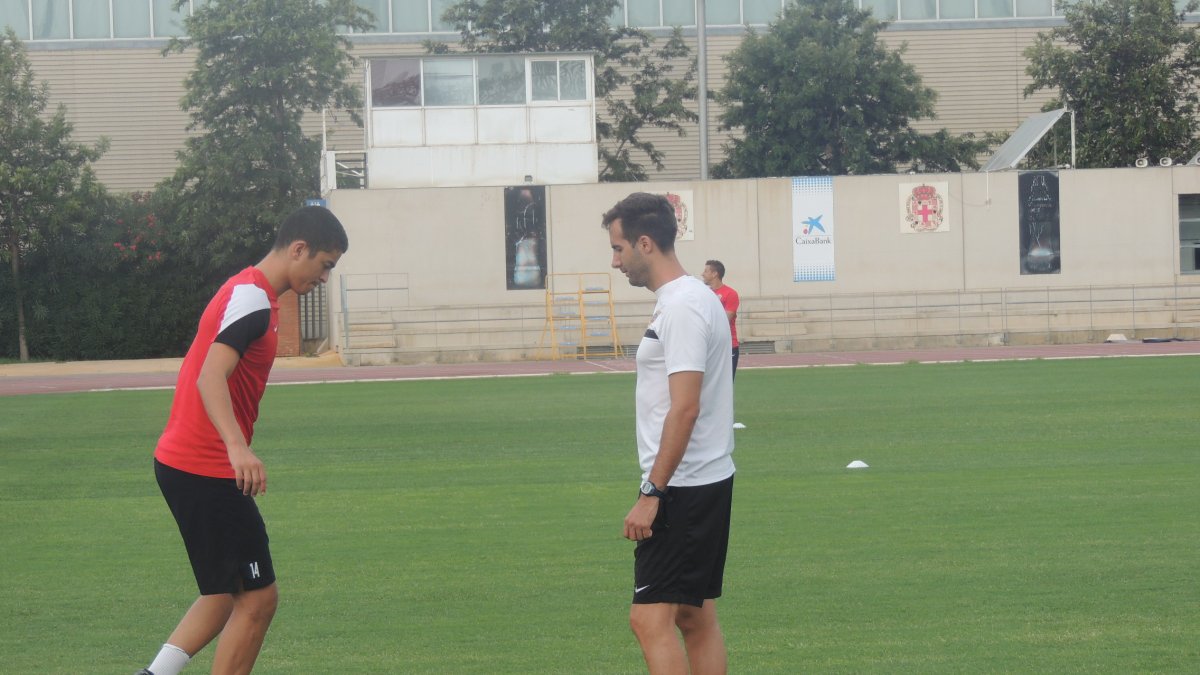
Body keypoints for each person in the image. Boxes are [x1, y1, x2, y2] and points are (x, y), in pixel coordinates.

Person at [136, 206, 348, 675]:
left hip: (187, 464)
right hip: (204, 467)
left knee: (225, 593)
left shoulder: (251, 293)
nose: (325, 277)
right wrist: (236, 446)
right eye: (325, 264)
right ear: (299, 249)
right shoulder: (252, 297)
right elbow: (211, 375)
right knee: (258, 598)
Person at [602, 192, 736, 675]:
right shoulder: (696, 299)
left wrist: (651, 492)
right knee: (694, 616)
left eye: (618, 249)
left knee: (649, 620)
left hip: (682, 488)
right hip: (706, 480)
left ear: (645, 243)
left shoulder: (682, 307)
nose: (615, 262)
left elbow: (685, 408)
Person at [701, 260, 740, 381]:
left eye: (706, 271)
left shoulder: (730, 293)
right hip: (708, 346)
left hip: (728, 346)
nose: (702, 274)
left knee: (726, 384)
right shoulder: (703, 293)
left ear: (715, 274)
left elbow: (725, 319)